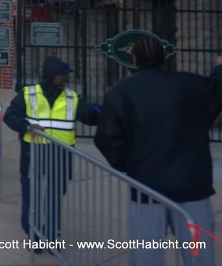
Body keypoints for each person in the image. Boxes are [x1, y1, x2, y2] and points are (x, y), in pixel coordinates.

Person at [95, 37, 222, 266]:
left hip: (146, 190)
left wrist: (131, 165)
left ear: (135, 60)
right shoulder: (190, 85)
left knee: (146, 257)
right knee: (200, 256)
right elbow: (217, 89)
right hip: (192, 186)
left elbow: (107, 138)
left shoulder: (121, 91)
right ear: (163, 58)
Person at [3, 56, 100, 245]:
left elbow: (86, 114)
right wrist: (25, 126)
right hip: (34, 153)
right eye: (60, 75)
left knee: (56, 194)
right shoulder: (29, 94)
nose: (65, 78)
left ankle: (51, 232)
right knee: (32, 193)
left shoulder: (71, 97)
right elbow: (10, 116)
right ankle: (33, 232)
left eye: (66, 75)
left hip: (61, 154)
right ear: (50, 76)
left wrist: (98, 111)